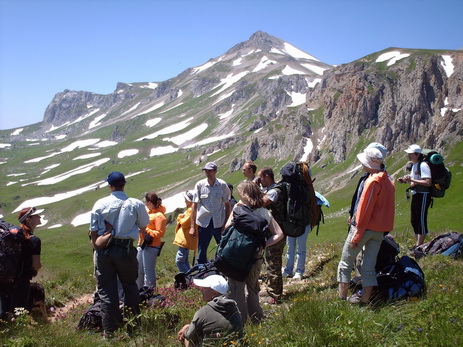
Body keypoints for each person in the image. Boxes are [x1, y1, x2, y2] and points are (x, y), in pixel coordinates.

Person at [89, 171, 150, 338]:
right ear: (124, 184)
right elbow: (144, 224)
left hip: (104, 250)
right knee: (130, 286)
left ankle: (110, 331)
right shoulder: (135, 204)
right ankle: (133, 328)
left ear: (110, 186)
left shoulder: (99, 204)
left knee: (106, 290)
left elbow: (93, 230)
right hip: (126, 249)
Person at [337, 148, 395, 305]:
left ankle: (341, 299)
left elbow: (364, 211)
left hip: (364, 229)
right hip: (379, 231)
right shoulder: (389, 181)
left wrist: (357, 234)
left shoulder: (372, 181)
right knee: (369, 267)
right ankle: (365, 301)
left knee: (345, 263)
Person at [225, 181, 284, 323]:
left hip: (236, 256)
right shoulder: (264, 213)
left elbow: (226, 229)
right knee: (253, 289)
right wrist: (263, 245)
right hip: (255, 256)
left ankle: (241, 322)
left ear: (244, 196)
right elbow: (279, 234)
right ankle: (256, 319)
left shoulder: (238, 210)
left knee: (237, 289)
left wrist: (234, 211)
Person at [347, 142, 388, 280]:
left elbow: (368, 206)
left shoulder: (376, 180)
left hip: (366, 226)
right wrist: (351, 213)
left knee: (358, 256)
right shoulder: (370, 177)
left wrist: (358, 229)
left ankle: (359, 282)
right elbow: (357, 198)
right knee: (361, 256)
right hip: (364, 223)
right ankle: (363, 282)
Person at [177, 274, 243, 346]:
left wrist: (186, 329)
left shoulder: (203, 312)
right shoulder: (234, 308)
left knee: (186, 337)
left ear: (214, 293)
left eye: (205, 288)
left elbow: (189, 335)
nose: (201, 289)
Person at [0, 207, 43, 319]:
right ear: (28, 219)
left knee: (5, 312)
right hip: (22, 280)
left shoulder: (14, 237)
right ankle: (18, 334)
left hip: (6, 278)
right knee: (19, 315)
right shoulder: (34, 240)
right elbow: (36, 265)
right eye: (36, 215)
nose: (39, 216)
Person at [190, 162, 231, 264]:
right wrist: (192, 226)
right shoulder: (200, 185)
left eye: (210, 171)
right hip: (204, 222)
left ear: (215, 171)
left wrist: (226, 224)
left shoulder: (222, 185)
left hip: (219, 222)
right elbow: (194, 205)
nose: (208, 173)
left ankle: (223, 269)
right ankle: (201, 270)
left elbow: (227, 204)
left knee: (222, 247)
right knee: (202, 250)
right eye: (206, 171)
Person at [257, 166, 286, 303]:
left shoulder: (274, 192)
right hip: (272, 232)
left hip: (277, 232)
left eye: (260, 178)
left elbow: (259, 204)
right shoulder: (270, 191)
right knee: (270, 261)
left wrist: (254, 191)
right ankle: (270, 289)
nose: (259, 180)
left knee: (274, 262)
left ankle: (275, 295)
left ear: (267, 177)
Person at [398, 144, 432, 247]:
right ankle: (418, 244)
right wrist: (405, 181)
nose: (408, 155)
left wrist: (411, 180)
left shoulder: (423, 165)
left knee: (421, 219)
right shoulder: (414, 165)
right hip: (416, 194)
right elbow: (415, 181)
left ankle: (419, 246)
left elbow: (428, 182)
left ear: (417, 154)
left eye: (411, 154)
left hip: (423, 195)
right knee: (414, 219)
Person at [136, 192, 167, 289]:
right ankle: (138, 290)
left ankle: (149, 291)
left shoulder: (159, 216)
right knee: (139, 269)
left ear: (150, 202)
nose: (145, 204)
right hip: (142, 244)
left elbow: (160, 233)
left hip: (152, 245)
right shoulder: (148, 213)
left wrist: (146, 230)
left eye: (146, 202)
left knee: (148, 270)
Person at [173, 191, 198, 273]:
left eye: (186, 199)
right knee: (184, 261)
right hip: (185, 239)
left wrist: (179, 218)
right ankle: (190, 278)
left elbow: (185, 223)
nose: (184, 201)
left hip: (185, 239)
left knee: (179, 260)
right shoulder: (190, 210)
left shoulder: (191, 210)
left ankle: (188, 278)